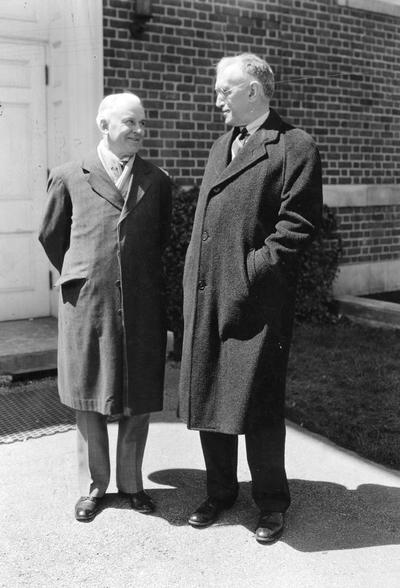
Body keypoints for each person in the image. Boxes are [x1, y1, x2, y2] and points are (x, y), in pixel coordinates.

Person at [179, 53, 322, 543]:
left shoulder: (294, 146)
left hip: (255, 300)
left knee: (259, 405)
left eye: (224, 89)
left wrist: (247, 275)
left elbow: (296, 229)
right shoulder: (223, 143)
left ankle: (271, 503)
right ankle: (220, 493)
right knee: (211, 391)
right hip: (208, 293)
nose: (217, 97)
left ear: (254, 92)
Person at [39, 92, 171, 521]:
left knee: (139, 395)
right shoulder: (67, 176)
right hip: (88, 306)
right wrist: (85, 274)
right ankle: (94, 487)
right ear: (104, 126)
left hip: (141, 305)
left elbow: (159, 242)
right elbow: (51, 237)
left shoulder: (157, 179)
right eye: (130, 123)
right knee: (87, 395)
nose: (138, 131)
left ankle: (131, 484)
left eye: (142, 124)